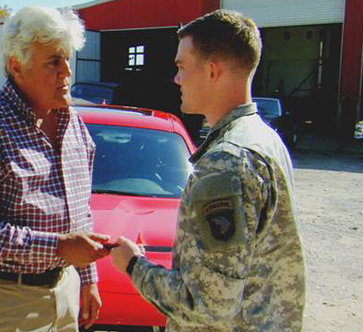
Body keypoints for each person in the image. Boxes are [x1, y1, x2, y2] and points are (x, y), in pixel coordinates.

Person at [111, 10, 306, 331]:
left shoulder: (226, 161)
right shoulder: (264, 138)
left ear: (212, 71)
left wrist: (133, 265)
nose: (176, 79)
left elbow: (207, 306)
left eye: (181, 67)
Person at [0, 6, 111, 332]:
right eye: (52, 62)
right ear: (16, 66)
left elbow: (80, 209)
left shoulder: (73, 123)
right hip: (4, 298)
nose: (66, 72)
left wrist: (87, 277)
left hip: (65, 288)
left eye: (67, 59)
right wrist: (60, 247)